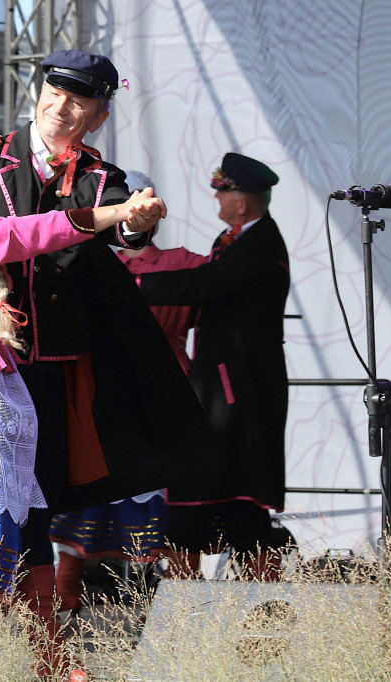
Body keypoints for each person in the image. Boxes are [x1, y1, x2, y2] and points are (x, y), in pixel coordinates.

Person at [0, 51, 215, 679]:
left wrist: (132, 220)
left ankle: (42, 655)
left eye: (81, 100)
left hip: (54, 364)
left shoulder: (101, 175)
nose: (62, 107)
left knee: (34, 507)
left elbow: (120, 223)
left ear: (100, 114)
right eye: (56, 91)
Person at [49, 171, 207, 612]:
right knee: (89, 476)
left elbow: (215, 296)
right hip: (99, 382)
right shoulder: (75, 258)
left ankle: (183, 599)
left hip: (158, 382)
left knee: (168, 487)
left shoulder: (182, 262)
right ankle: (64, 591)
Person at [137, 152, 291, 580]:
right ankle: (195, 598)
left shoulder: (258, 246)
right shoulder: (234, 240)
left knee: (230, 485)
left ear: (241, 202)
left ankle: (235, 595)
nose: (219, 204)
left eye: (224, 196)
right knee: (221, 489)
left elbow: (202, 285)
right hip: (223, 384)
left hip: (240, 388)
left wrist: (134, 284)